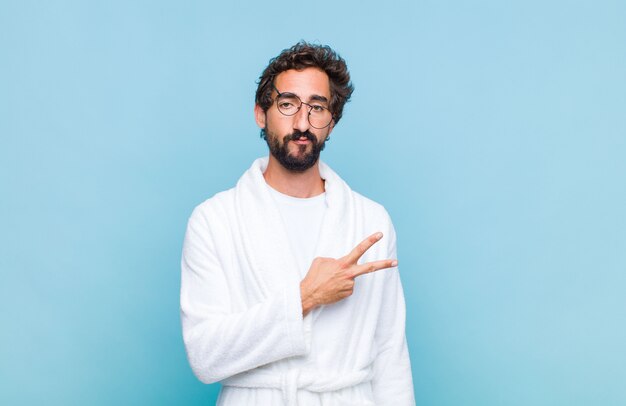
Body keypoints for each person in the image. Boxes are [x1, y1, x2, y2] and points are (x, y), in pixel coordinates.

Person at [180, 42, 415, 405]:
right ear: (261, 113)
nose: (302, 123)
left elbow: (390, 355)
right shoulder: (215, 220)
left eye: (317, 108)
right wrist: (304, 297)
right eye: (287, 104)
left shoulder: (369, 220)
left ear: (331, 123)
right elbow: (205, 357)